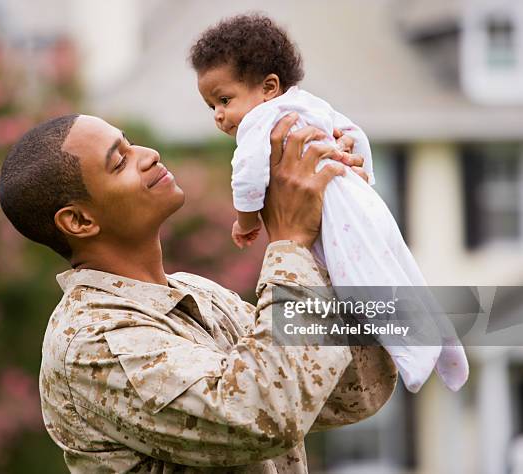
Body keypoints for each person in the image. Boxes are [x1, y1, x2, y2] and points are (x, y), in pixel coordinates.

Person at [0, 113, 397, 473]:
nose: (149, 154)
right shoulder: (91, 342)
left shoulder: (197, 293)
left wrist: (336, 222)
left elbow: (354, 388)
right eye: (119, 162)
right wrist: (290, 241)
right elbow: (262, 415)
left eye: (131, 141)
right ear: (79, 221)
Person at [189, 13, 468, 393]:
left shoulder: (259, 125)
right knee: (398, 270)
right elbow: (353, 134)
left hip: (334, 211)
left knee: (356, 286)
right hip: (359, 198)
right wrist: (363, 173)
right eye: (211, 107)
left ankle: (412, 359)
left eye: (224, 100)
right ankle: (442, 344)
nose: (219, 116)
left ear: (269, 86)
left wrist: (246, 221)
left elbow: (248, 175)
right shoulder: (307, 104)